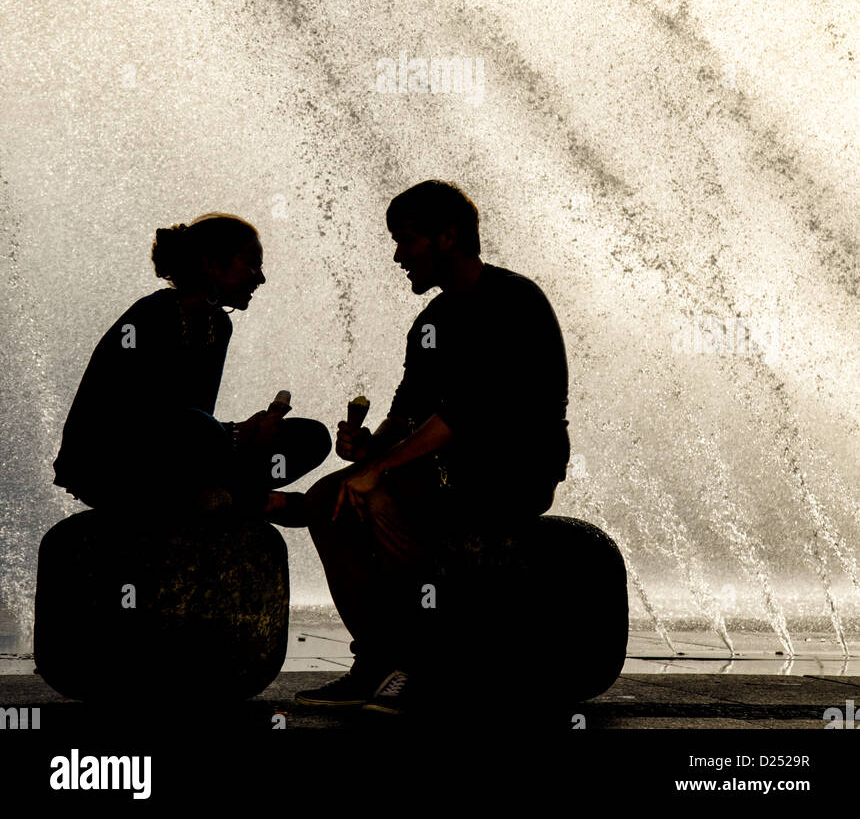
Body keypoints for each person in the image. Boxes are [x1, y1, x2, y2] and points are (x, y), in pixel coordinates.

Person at [295, 180, 570, 717]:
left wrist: (382, 473)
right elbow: (408, 414)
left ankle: (426, 666)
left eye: (407, 240)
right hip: (445, 466)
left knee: (389, 496)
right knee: (327, 498)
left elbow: (467, 411)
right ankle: (375, 661)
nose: (398, 256)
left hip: (514, 469)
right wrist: (369, 448)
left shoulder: (513, 300)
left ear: (448, 238)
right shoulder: (431, 322)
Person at [52, 213, 331, 521]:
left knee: (311, 438)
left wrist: (249, 435)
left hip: (178, 462)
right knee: (193, 427)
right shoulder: (151, 316)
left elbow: (199, 419)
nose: (260, 277)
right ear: (211, 264)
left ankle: (226, 498)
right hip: (112, 467)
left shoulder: (218, 325)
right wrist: (237, 433)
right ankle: (256, 502)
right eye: (252, 264)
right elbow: (149, 421)